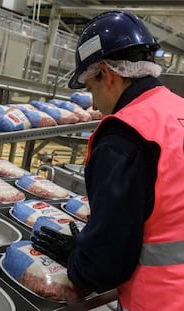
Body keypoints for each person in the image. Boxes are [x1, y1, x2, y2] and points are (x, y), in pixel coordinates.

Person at [31, 10, 184, 311]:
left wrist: (77, 258)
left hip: (157, 300)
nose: (93, 103)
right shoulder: (177, 110)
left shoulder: (125, 138)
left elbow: (105, 266)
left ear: (108, 74)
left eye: (90, 88)